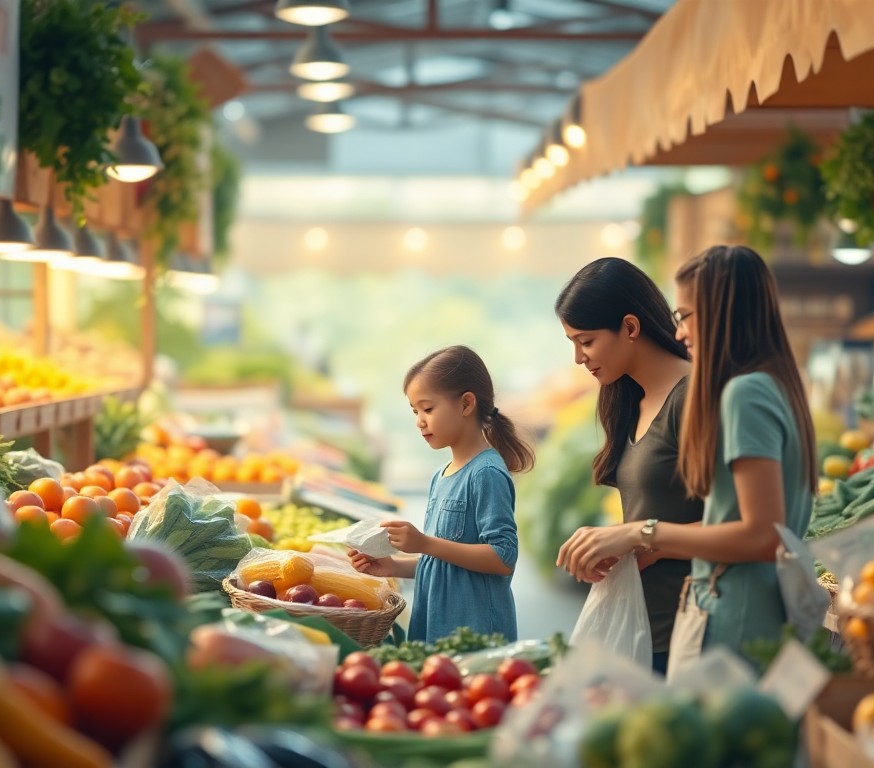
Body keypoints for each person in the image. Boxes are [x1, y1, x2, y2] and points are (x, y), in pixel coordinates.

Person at [557, 245, 816, 661]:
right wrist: (630, 546)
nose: (680, 331)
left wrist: (638, 535)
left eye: (686, 315)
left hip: (721, 624)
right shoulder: (765, 387)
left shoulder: (731, 395)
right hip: (692, 620)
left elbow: (760, 532)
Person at [554, 257, 703, 675]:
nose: (579, 358)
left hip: (688, 632)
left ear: (631, 328)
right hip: (639, 626)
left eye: (585, 341)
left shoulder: (693, 399)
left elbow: (739, 526)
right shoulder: (627, 401)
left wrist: (638, 539)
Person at [349, 346, 533, 643]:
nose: (419, 420)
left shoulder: (486, 473)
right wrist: (394, 566)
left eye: (428, 409)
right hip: (436, 626)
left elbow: (503, 557)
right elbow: (446, 562)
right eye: (415, 411)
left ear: (466, 404)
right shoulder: (441, 475)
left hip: (473, 636)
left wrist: (423, 542)